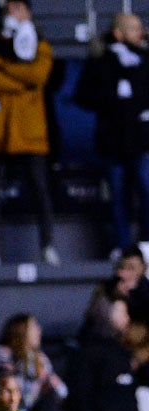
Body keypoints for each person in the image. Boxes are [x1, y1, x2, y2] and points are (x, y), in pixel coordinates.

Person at [0, 0, 57, 267]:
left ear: (29, 13)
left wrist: (4, 69)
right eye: (10, 9)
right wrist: (21, 83)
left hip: (30, 131)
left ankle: (48, 246)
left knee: (40, 190)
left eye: (19, 9)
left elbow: (39, 75)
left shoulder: (40, 45)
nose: (14, 14)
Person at [74, 14, 149, 253]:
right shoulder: (101, 61)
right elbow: (82, 95)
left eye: (140, 28)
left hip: (142, 139)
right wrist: (112, 97)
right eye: (134, 29)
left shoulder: (145, 59)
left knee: (147, 190)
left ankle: (146, 243)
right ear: (118, 33)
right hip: (113, 140)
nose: (140, 33)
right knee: (118, 195)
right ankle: (123, 246)